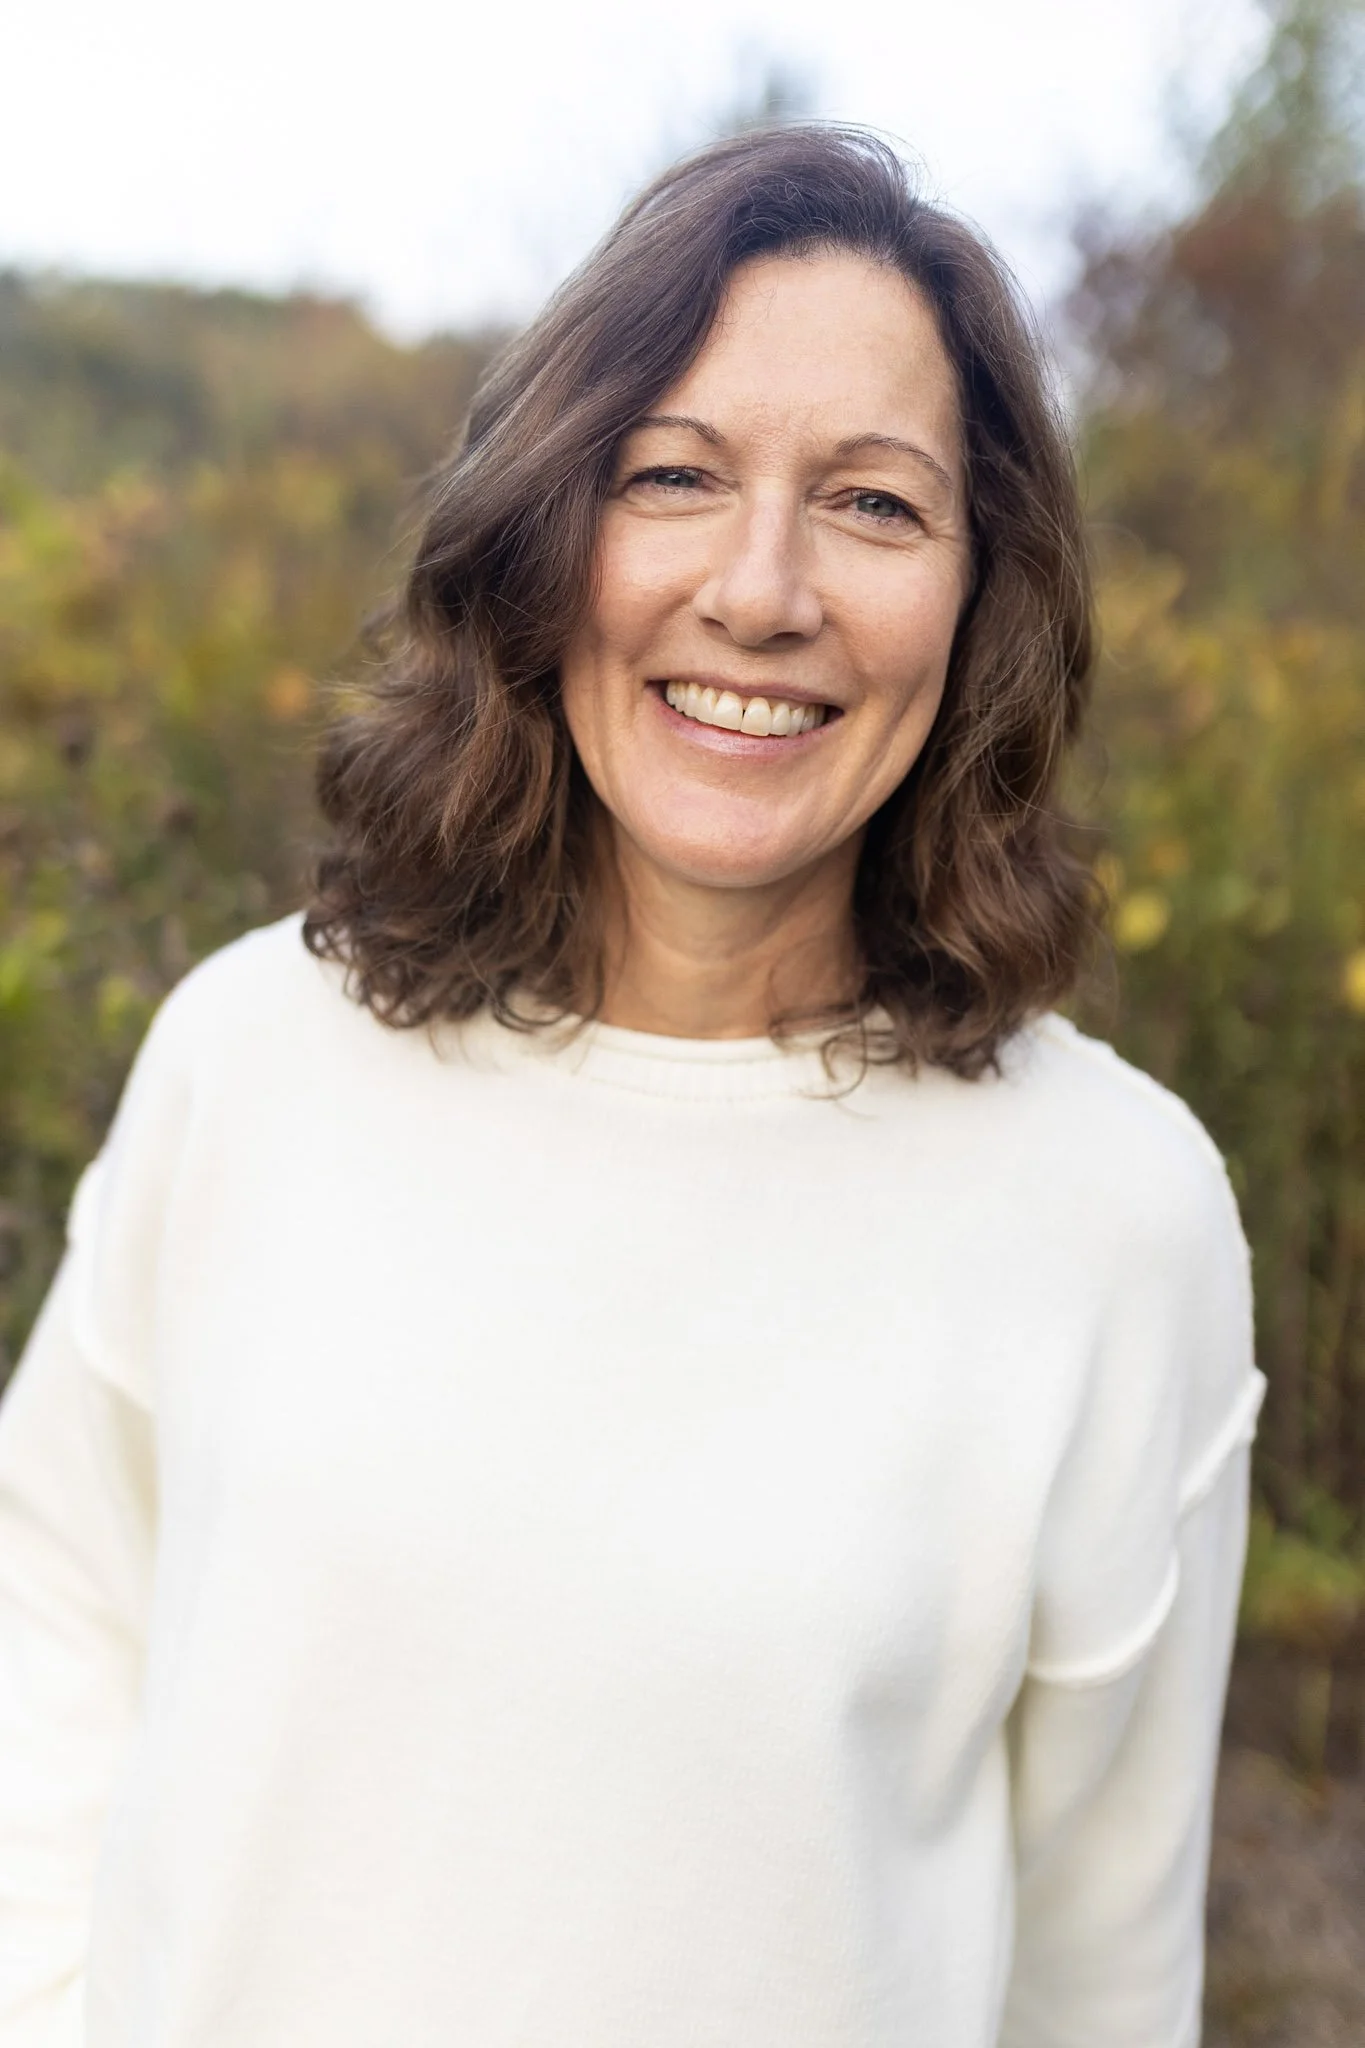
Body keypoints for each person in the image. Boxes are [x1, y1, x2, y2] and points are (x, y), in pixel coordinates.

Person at [0, 125, 1264, 2048]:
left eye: (874, 504)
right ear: (540, 528)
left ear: (980, 602)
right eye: (673, 475)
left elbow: (1101, 1973)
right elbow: (54, 1628)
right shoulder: (252, 1060)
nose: (762, 594)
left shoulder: (1114, 1215)